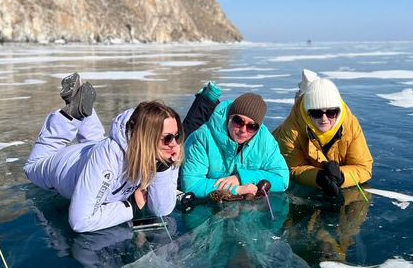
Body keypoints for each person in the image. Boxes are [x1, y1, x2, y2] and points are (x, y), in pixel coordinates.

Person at [24, 73, 183, 233]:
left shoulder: (158, 153)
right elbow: (80, 221)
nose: (174, 144)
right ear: (146, 137)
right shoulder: (108, 159)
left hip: (91, 151)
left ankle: (83, 108)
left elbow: (161, 210)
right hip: (61, 164)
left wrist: (163, 167)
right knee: (33, 166)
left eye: (177, 136)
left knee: (97, 140)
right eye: (167, 138)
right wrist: (131, 207)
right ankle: (70, 115)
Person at [273, 69, 373, 198]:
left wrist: (342, 176)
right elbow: (292, 168)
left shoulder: (350, 125)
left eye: (331, 112)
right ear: (308, 113)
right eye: (317, 113)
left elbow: (364, 167)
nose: (324, 119)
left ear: (339, 110)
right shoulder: (290, 131)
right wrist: (319, 177)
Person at [180, 93, 289, 198]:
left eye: (252, 126)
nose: (243, 130)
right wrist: (236, 189)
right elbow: (191, 184)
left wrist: (242, 178)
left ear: (258, 129)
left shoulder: (266, 142)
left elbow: (282, 179)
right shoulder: (202, 138)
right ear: (229, 118)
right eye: (238, 121)